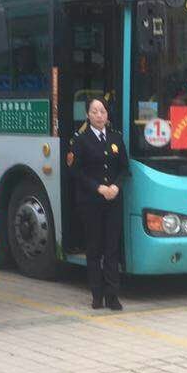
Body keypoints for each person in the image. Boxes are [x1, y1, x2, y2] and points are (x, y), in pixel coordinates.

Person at [69, 97, 129, 310]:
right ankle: (97, 295)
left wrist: (116, 187)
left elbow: (124, 168)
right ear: (87, 114)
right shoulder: (80, 139)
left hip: (113, 201)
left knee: (111, 248)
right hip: (90, 202)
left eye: (102, 111)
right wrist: (98, 188)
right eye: (94, 111)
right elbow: (76, 171)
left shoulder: (116, 137)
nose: (99, 115)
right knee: (94, 249)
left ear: (107, 114)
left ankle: (113, 295)